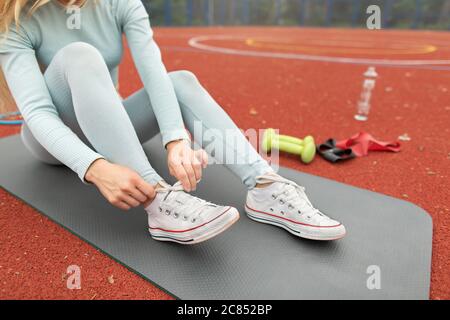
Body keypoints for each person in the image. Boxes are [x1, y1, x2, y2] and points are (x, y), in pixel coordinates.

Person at [0, 0, 346, 244]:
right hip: (52, 139)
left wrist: (175, 139)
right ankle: (158, 200)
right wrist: (95, 167)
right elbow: (38, 114)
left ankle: (266, 187)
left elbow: (155, 72)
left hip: (108, 122)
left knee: (180, 79)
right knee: (80, 54)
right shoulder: (16, 19)